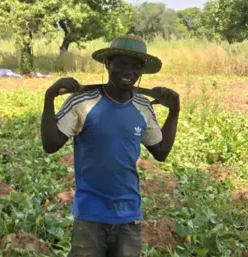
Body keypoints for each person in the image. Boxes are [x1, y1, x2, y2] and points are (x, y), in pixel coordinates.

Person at [41, 35, 180, 257]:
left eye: (135, 66)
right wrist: (49, 98)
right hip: (90, 216)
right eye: (122, 63)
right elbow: (51, 144)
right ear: (108, 64)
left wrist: (174, 112)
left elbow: (161, 152)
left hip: (128, 216)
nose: (129, 72)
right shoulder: (82, 101)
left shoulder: (143, 106)